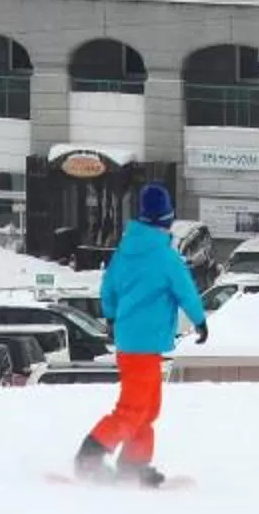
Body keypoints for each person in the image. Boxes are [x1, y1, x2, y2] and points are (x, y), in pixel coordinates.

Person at [73, 183, 207, 487]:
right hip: (144, 346)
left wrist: (110, 316)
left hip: (131, 343)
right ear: (167, 219)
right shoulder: (166, 258)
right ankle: (90, 454)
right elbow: (186, 291)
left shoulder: (125, 252)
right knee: (134, 409)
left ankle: (133, 465)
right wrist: (200, 321)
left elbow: (109, 288)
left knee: (147, 408)